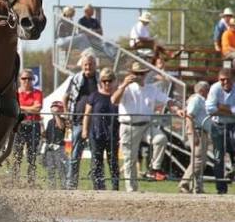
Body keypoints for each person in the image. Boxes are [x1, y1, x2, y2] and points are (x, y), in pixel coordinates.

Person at [111, 61, 183, 192]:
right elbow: (114, 101)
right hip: (128, 126)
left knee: (160, 139)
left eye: (141, 73)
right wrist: (124, 85)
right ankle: (131, 190)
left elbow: (167, 100)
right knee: (130, 160)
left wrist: (177, 109)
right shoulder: (126, 88)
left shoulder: (151, 89)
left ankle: (153, 169)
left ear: (145, 74)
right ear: (131, 73)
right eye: (136, 73)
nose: (139, 76)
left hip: (146, 125)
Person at [63, 51, 99, 189]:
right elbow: (65, 97)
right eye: (85, 65)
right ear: (82, 65)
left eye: (90, 64)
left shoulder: (100, 78)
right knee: (75, 155)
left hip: (95, 123)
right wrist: (66, 113)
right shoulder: (76, 78)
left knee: (96, 156)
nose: (88, 67)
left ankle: (97, 185)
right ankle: (71, 184)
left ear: (95, 65)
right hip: (78, 121)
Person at [82, 67, 120, 190]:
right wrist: (85, 130)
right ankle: (98, 187)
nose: (107, 83)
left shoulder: (117, 96)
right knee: (96, 162)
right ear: (101, 82)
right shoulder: (94, 96)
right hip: (96, 133)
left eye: (110, 80)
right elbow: (87, 114)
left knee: (113, 161)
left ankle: (115, 187)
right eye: (104, 81)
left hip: (113, 134)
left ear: (114, 81)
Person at [205, 68, 235, 195]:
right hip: (217, 126)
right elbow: (210, 109)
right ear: (218, 79)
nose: (225, 82)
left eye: (228, 79)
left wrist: (221, 107)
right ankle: (221, 188)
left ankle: (232, 173)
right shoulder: (215, 88)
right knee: (218, 158)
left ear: (233, 79)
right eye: (222, 79)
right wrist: (231, 110)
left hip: (233, 125)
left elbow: (215, 108)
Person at [179, 81, 211, 194]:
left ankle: (197, 187)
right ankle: (184, 183)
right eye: (208, 90)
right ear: (202, 90)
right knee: (198, 160)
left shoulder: (199, 99)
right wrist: (192, 133)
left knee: (201, 161)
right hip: (197, 131)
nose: (209, 92)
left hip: (202, 131)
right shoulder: (197, 99)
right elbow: (189, 116)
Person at [12, 69, 42, 185]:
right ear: (20, 79)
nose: (27, 81)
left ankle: (31, 181)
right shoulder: (15, 93)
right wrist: (30, 108)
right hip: (18, 126)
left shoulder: (37, 93)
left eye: (29, 78)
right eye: (24, 78)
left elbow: (37, 109)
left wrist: (21, 108)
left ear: (33, 80)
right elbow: (14, 107)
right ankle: (15, 180)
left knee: (32, 155)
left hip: (33, 125)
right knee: (16, 155)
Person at [42, 100, 67, 190]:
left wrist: (56, 115)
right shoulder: (50, 122)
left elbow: (61, 127)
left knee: (61, 168)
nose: (54, 109)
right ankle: (51, 187)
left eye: (56, 108)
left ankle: (64, 187)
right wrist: (41, 125)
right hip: (50, 147)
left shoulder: (63, 120)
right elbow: (45, 135)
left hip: (59, 147)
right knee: (50, 169)